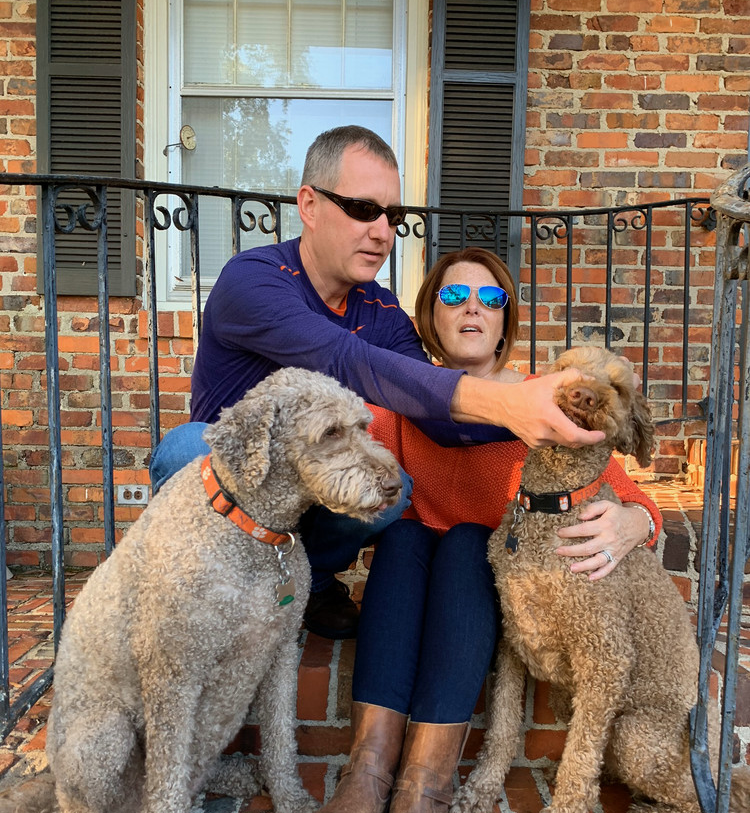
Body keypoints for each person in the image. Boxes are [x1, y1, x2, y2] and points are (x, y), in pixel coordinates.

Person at [293, 247, 662, 813]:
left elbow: (635, 497)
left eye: (491, 299)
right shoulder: (402, 397)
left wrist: (636, 522)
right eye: (454, 296)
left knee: (468, 540)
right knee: (404, 536)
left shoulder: (542, 403)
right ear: (430, 317)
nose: (473, 309)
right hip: (411, 575)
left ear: (504, 320)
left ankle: (423, 795)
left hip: (481, 580)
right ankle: (367, 777)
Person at [149, 125, 607, 639]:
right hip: (237, 487)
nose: (383, 232)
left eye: (393, 215)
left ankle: (311, 578)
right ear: (309, 205)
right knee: (188, 447)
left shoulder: (382, 311)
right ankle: (195, 588)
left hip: (316, 496)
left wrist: (555, 412)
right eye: (364, 209)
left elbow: (435, 415)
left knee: (395, 489)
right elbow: (344, 358)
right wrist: (507, 402)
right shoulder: (253, 279)